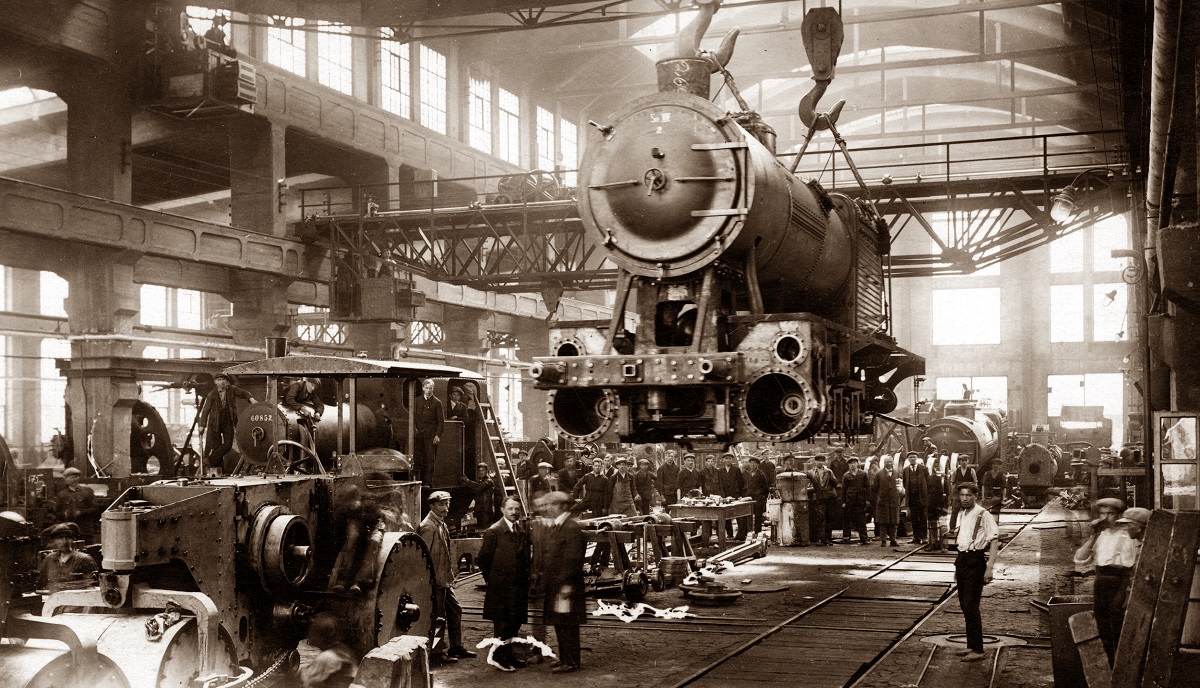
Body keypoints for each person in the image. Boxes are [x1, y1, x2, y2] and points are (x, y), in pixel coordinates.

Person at [1073, 497, 1139, 663]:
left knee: (1117, 621)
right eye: (1102, 514)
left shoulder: (1129, 535)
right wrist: (1093, 535)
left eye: (1110, 514)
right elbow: (1080, 559)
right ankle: (1108, 662)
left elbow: (1136, 564)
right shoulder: (1100, 535)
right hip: (1101, 580)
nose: (1105, 518)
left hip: (1121, 581)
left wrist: (1129, 588)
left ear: (1119, 515)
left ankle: (1120, 662)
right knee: (1101, 622)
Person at [418, 491, 476, 663]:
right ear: (432, 506)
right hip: (435, 581)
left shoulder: (440, 523)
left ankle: (456, 647)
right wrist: (430, 582)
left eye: (447, 504)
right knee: (438, 617)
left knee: (455, 610)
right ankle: (436, 653)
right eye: (441, 504)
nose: (446, 508)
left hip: (443, 580)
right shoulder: (428, 527)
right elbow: (423, 558)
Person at [477, 497, 531, 672]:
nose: (514, 512)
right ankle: (500, 658)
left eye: (517, 509)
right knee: (502, 624)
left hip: (518, 587)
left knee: (514, 623)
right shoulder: (494, 532)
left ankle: (509, 656)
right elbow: (483, 559)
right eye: (510, 509)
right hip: (501, 588)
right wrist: (494, 579)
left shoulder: (520, 531)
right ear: (502, 510)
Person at [953, 481, 1000, 662]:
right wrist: (957, 568)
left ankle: (978, 650)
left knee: (970, 604)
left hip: (975, 561)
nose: (964, 498)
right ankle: (971, 645)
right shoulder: (962, 513)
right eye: (962, 495)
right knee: (964, 605)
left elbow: (994, 541)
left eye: (968, 495)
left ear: (975, 496)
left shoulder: (983, 514)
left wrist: (989, 568)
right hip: (962, 560)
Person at [540, 491, 586, 673]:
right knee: (560, 622)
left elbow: (573, 560)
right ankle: (565, 657)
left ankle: (571, 661)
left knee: (568, 623)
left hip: (566, 586)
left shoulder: (571, 528)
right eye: (547, 504)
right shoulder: (559, 525)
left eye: (553, 504)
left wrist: (565, 586)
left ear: (564, 507)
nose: (548, 508)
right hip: (558, 585)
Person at [198, 373, 256, 473]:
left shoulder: (231, 389)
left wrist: (251, 399)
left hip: (228, 420)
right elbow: (206, 410)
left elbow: (244, 393)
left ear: (227, 382)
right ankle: (219, 471)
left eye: (223, 380)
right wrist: (202, 425)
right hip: (214, 423)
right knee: (217, 447)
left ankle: (209, 460)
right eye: (219, 380)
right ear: (215, 382)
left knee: (228, 444)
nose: (221, 382)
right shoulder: (212, 394)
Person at [298, 613, 358, 688]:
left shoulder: (328, 656)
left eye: (313, 632)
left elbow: (306, 678)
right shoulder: (342, 649)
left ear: (320, 637)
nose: (310, 636)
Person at [37, 522, 97, 593]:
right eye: (60, 538)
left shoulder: (84, 559)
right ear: (54, 540)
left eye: (68, 537)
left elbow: (93, 588)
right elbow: (40, 585)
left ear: (73, 539)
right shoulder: (49, 559)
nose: (65, 541)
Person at [413, 379, 445, 484]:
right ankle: (417, 481)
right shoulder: (417, 401)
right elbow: (413, 417)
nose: (428, 390)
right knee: (418, 459)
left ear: (433, 389)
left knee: (430, 460)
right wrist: (414, 429)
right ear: (423, 388)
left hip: (430, 437)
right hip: (418, 436)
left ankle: (427, 483)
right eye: (426, 388)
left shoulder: (437, 403)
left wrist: (437, 435)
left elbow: (441, 422)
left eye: (430, 388)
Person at [54, 467, 98, 541]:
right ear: (66, 479)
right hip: (69, 532)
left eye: (76, 477)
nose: (75, 479)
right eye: (72, 477)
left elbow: (95, 508)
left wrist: (81, 512)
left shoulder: (87, 491)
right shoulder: (62, 494)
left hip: (85, 531)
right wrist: (64, 514)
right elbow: (57, 513)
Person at [872, 455, 903, 547]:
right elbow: (875, 487)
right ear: (884, 463)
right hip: (883, 501)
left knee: (894, 521)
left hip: (894, 501)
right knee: (883, 522)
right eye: (887, 462)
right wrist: (882, 495)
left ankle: (893, 540)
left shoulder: (897, 473)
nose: (889, 463)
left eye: (890, 462)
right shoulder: (879, 474)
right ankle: (883, 540)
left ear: (893, 463)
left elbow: (900, 486)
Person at [806, 455, 837, 545]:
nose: (820, 462)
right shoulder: (810, 473)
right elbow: (807, 486)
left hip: (829, 497)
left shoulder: (829, 472)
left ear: (824, 462)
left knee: (829, 517)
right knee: (820, 518)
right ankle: (820, 538)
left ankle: (827, 538)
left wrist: (831, 478)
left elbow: (835, 483)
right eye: (818, 460)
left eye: (822, 461)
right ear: (815, 461)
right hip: (818, 498)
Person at [840, 457, 871, 544]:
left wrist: (867, 500)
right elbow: (843, 490)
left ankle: (864, 538)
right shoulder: (846, 475)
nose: (852, 465)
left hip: (860, 501)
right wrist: (843, 502)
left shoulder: (863, 474)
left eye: (854, 463)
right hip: (849, 501)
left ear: (858, 463)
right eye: (850, 463)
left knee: (861, 520)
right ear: (848, 465)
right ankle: (846, 537)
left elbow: (868, 487)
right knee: (847, 519)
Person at [903, 452, 929, 544]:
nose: (912, 459)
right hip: (912, 498)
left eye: (914, 457)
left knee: (922, 517)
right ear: (908, 459)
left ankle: (924, 537)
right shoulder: (905, 470)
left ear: (917, 458)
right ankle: (916, 537)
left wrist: (926, 496)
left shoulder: (924, 468)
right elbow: (905, 484)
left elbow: (928, 482)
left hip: (921, 497)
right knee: (913, 518)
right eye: (910, 457)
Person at [948, 455, 979, 532]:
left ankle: (966, 528)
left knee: (967, 511)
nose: (964, 462)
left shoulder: (971, 471)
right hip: (958, 494)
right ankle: (952, 528)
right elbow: (952, 483)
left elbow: (975, 483)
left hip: (968, 495)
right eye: (962, 461)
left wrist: (974, 494)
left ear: (968, 461)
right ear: (959, 462)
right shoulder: (956, 471)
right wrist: (952, 495)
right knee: (954, 511)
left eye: (965, 460)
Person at [718, 453, 745, 537]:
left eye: (729, 458)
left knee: (738, 515)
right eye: (726, 458)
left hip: (735, 496)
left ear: (732, 460)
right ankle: (730, 534)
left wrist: (740, 495)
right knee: (726, 516)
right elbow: (720, 484)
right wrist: (722, 495)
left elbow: (741, 483)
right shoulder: (720, 471)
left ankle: (740, 535)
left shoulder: (736, 470)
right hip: (725, 496)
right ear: (723, 460)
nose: (728, 460)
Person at [743, 457, 770, 539]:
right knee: (749, 515)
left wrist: (763, 498)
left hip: (758, 498)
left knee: (758, 516)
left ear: (757, 464)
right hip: (749, 498)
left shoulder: (761, 474)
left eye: (754, 463)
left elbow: (766, 488)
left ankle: (758, 533)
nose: (753, 465)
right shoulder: (748, 474)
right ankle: (749, 533)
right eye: (751, 463)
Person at [925, 463, 949, 551]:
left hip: (941, 503)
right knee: (932, 525)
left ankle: (944, 545)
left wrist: (944, 505)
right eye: (935, 467)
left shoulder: (944, 478)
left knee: (943, 526)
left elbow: (947, 492)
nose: (936, 468)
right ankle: (933, 543)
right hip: (932, 503)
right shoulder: (929, 478)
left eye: (938, 467)